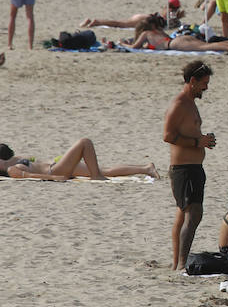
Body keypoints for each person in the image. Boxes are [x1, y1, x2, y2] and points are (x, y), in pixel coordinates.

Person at [162, 61, 216, 272]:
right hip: (183, 169)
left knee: (183, 215)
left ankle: (177, 263)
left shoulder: (190, 103)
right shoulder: (179, 104)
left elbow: (187, 133)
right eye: (203, 83)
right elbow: (167, 136)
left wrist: (203, 140)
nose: (206, 88)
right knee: (193, 214)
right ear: (192, 81)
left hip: (192, 167)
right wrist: (197, 143)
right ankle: (183, 264)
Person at [1, 137, 157, 180]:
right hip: (55, 170)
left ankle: (146, 168)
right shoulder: (11, 169)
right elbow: (29, 176)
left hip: (57, 164)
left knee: (106, 170)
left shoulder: (13, 160)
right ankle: (145, 168)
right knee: (84, 143)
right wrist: (56, 178)